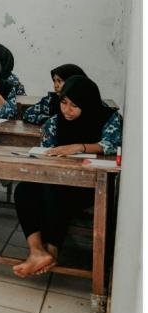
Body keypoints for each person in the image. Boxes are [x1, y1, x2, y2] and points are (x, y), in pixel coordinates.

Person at [12, 75, 123, 277]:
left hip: (89, 187)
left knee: (54, 190)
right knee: (24, 190)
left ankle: (52, 251)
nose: (67, 110)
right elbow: (45, 149)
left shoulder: (109, 118)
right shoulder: (55, 122)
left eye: (74, 105)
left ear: (87, 103)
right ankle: (37, 251)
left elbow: (112, 144)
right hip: (58, 181)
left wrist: (79, 147)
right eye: (63, 103)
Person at [22, 64, 87, 124]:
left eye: (59, 81)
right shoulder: (51, 100)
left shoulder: (86, 102)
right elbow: (27, 113)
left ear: (72, 82)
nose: (55, 85)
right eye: (54, 81)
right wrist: (49, 120)